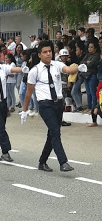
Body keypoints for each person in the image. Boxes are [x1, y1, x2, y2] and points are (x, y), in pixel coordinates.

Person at [21, 41, 81, 172]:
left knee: (52, 134)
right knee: (55, 132)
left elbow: (69, 70)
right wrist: (24, 110)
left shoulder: (57, 65)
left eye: (50, 51)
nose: (48, 54)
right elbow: (28, 92)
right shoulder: (34, 71)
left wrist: (79, 68)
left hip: (58, 104)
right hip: (45, 105)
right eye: (45, 52)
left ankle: (42, 162)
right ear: (40, 54)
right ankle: (63, 162)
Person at [79, 41, 101, 114]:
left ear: (95, 48)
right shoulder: (87, 55)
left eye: (91, 47)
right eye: (89, 47)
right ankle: (89, 107)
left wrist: (87, 63)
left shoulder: (96, 55)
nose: (90, 49)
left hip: (93, 75)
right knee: (88, 92)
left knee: (92, 92)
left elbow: (92, 64)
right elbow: (82, 62)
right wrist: (86, 62)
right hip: (86, 75)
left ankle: (94, 107)